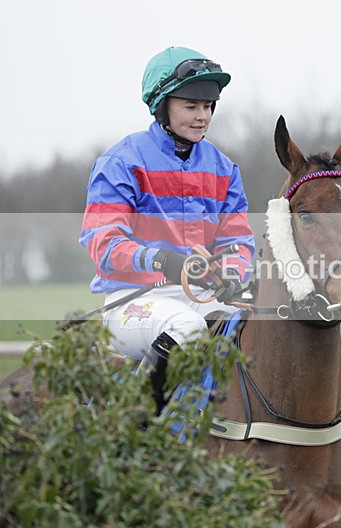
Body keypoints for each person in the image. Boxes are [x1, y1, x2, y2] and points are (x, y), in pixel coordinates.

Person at [79, 46, 255, 413]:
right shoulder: (121, 163)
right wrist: (163, 260)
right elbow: (103, 245)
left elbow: (238, 241)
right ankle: (139, 430)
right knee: (187, 327)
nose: (202, 116)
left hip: (201, 297)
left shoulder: (224, 168)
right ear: (162, 105)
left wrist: (232, 275)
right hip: (130, 304)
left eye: (208, 107)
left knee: (255, 323)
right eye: (191, 107)